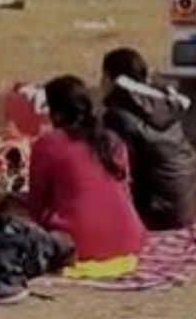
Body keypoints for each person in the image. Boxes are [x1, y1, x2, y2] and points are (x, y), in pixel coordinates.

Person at [26, 75, 145, 261]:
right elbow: (124, 191)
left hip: (80, 244)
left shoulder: (48, 143)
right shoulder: (113, 141)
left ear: (56, 113)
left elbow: (36, 203)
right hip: (129, 239)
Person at [100, 48, 196, 231]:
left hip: (156, 212)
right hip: (185, 204)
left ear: (109, 78)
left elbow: (115, 167)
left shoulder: (118, 116)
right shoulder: (164, 103)